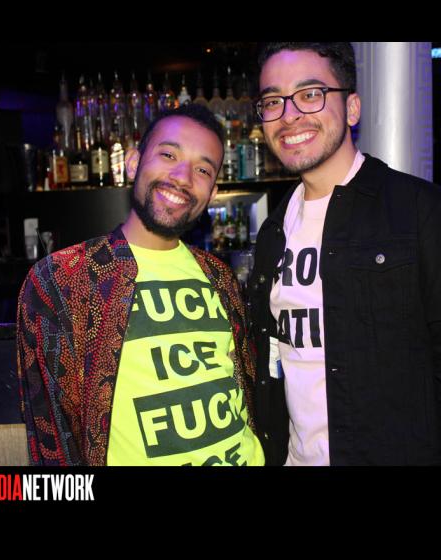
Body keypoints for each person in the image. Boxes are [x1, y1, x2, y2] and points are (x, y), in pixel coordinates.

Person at [248, 42, 441, 466]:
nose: (289, 115)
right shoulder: (273, 232)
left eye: (310, 94)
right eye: (273, 101)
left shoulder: (424, 212)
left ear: (352, 108)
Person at [17, 104, 264, 466]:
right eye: (169, 155)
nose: (183, 177)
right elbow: (52, 439)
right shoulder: (65, 279)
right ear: (133, 164)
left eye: (203, 169)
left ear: (212, 193)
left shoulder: (220, 276)